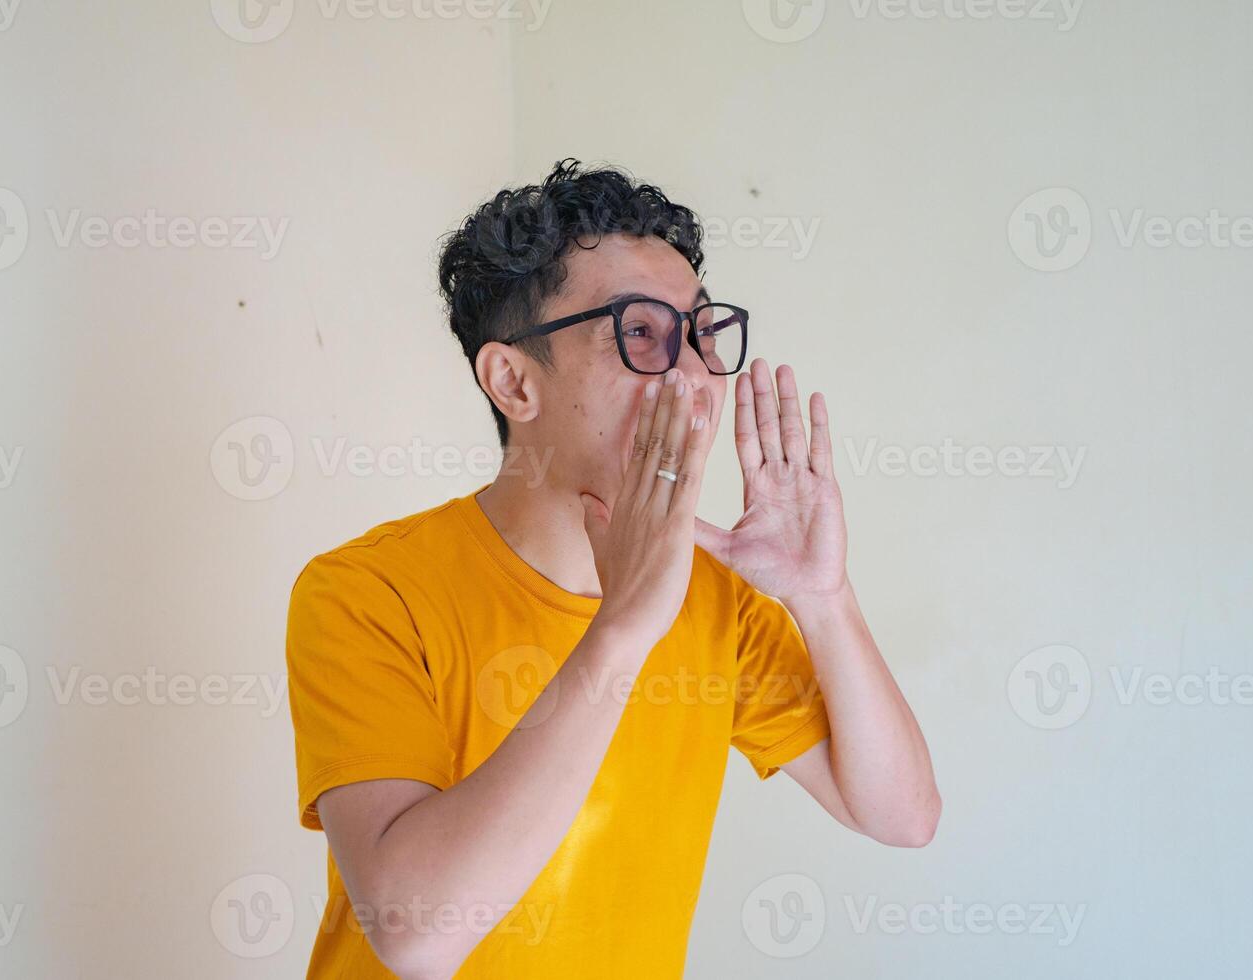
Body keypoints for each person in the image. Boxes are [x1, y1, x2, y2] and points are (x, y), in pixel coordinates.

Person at [285, 158, 941, 979]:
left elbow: (901, 816)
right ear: (513, 381)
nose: (695, 376)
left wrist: (823, 599)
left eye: (701, 333)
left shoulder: (718, 600)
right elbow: (415, 936)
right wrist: (623, 627)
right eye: (639, 333)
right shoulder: (366, 592)